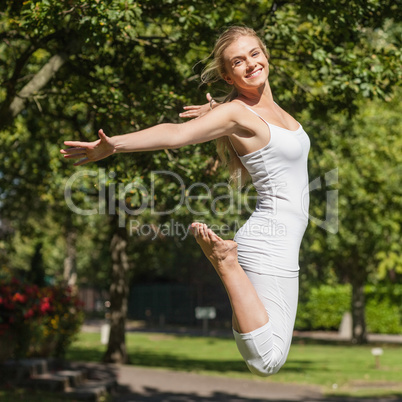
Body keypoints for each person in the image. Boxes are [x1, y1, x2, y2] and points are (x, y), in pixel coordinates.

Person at [61, 26, 310, 377]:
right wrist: (114, 144)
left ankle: (228, 263)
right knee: (266, 361)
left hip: (283, 240)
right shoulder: (237, 113)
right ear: (228, 75)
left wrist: (216, 109)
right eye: (238, 61)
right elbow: (175, 134)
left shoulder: (261, 111)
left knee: (273, 355)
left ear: (266, 53)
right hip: (268, 240)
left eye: (254, 53)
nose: (251, 64)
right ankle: (226, 263)